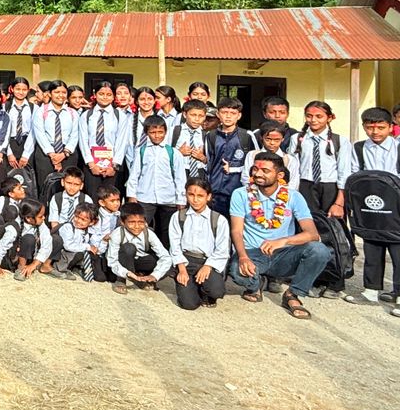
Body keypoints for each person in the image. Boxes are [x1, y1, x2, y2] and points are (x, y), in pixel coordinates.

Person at [229, 152, 327, 319]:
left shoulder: (293, 196)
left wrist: (283, 241)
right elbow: (236, 231)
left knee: (319, 251)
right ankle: (256, 284)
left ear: (279, 175)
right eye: (255, 169)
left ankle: (293, 294)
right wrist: (243, 257)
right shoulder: (240, 194)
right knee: (237, 271)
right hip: (253, 253)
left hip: (283, 254)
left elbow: (313, 234)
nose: (258, 174)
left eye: (265, 171)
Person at [340, 107, 400, 314]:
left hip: (396, 208)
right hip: (369, 205)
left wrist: (383, 183)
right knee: (372, 248)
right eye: (370, 128)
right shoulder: (358, 148)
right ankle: (371, 290)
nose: (375, 132)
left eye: (381, 128)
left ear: (391, 127)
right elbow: (354, 174)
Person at [169, 180, 230, 310]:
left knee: (216, 290)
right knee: (189, 304)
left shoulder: (219, 220)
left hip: (207, 261)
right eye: (191, 195)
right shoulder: (179, 216)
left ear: (208, 197)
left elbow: (222, 249)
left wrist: (207, 266)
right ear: (185, 195)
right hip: (185, 261)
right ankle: (192, 288)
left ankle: (206, 292)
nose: (195, 200)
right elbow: (174, 245)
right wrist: (181, 269)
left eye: (200, 196)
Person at [126, 115, 186, 246]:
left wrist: (181, 200)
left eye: (160, 132)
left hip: (168, 198)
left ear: (165, 132)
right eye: (153, 132)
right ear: (147, 132)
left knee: (168, 230)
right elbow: (134, 175)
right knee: (140, 226)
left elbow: (180, 179)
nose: (157, 136)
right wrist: (132, 196)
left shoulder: (173, 153)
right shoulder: (141, 151)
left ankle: (168, 257)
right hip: (145, 196)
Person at [293, 101, 348, 219]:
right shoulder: (297, 139)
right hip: (305, 186)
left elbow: (344, 172)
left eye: (319, 116)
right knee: (307, 223)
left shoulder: (340, 141)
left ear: (330, 118)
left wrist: (339, 202)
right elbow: (293, 167)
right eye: (309, 116)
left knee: (333, 225)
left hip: (330, 188)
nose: (313, 120)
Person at [204, 97, 254, 216]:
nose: (228, 116)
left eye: (233, 113)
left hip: (239, 190)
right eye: (224, 112)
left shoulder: (246, 136)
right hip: (216, 191)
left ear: (239, 115)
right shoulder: (211, 136)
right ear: (218, 114)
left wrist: (234, 168)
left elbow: (253, 164)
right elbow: (208, 164)